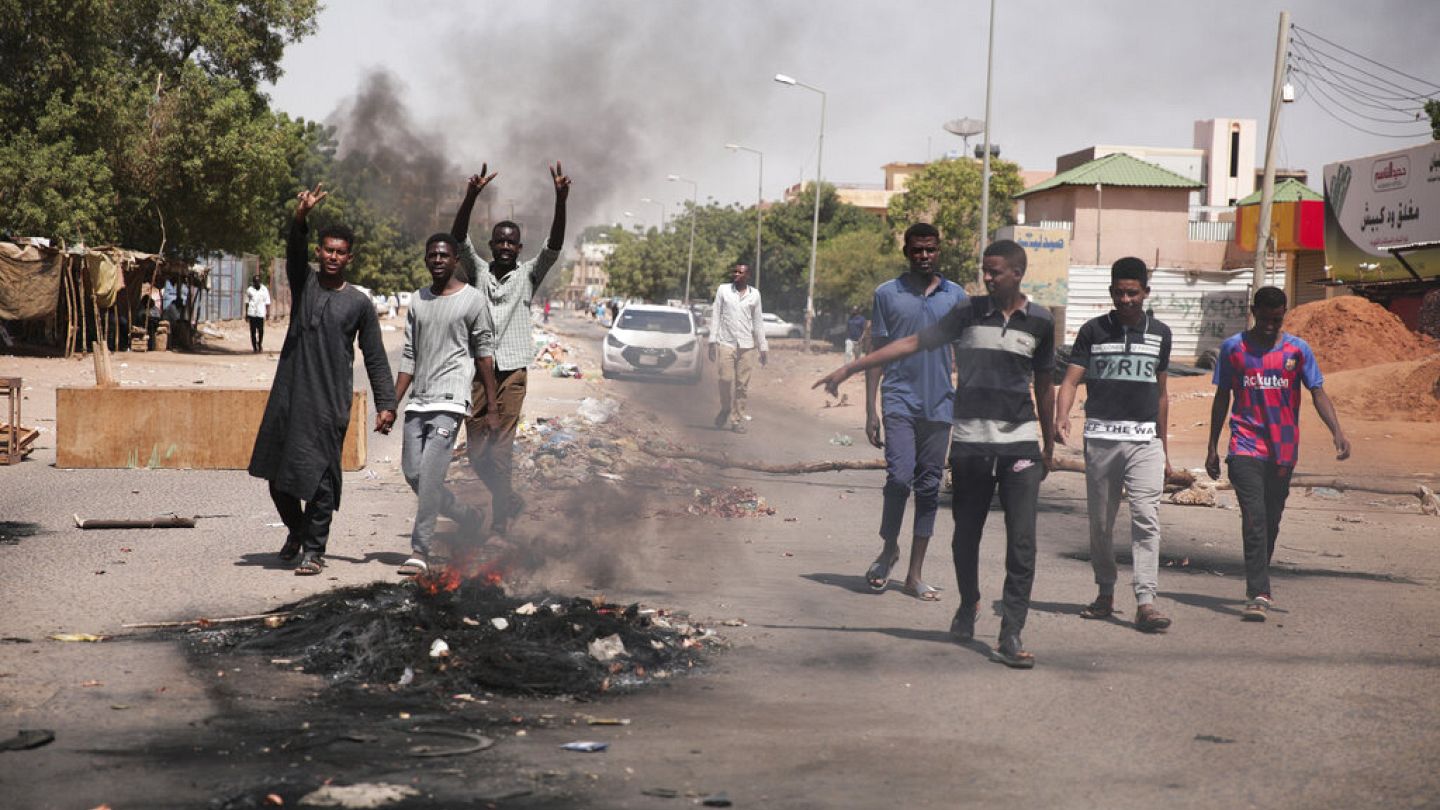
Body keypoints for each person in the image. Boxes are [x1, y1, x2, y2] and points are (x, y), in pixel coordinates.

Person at [816, 239, 1056, 669]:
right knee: (967, 536)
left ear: (1017, 273)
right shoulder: (966, 312)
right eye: (984, 269)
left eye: (995, 271)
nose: (986, 277)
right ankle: (968, 604)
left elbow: (1043, 383)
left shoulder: (1040, 321)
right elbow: (911, 344)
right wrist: (851, 367)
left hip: (1019, 446)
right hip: (969, 444)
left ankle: (1011, 630)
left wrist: (1049, 441)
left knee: (1023, 542)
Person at [249, 183, 397, 576]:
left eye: (340, 252)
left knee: (320, 482)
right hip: (289, 395)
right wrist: (301, 216)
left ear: (350, 257)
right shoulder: (306, 283)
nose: (332, 256)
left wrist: (387, 404)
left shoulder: (360, 304)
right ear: (320, 252)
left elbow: (377, 357)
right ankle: (296, 531)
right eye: (327, 250)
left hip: (329, 403)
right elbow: (293, 249)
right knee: (278, 478)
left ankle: (314, 552)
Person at [1205, 286, 1350, 622]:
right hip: (1245, 445)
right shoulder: (1233, 349)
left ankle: (1259, 578)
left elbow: (1317, 392)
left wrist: (1337, 432)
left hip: (1283, 450)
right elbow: (1221, 397)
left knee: (1270, 520)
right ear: (1253, 312)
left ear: (1284, 313)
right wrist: (1212, 446)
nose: (1271, 324)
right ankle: (1258, 592)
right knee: (1254, 519)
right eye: (1265, 318)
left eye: (1278, 318)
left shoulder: (1297, 350)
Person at [1054, 257, 1174, 633]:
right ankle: (1105, 592)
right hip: (1102, 440)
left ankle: (1146, 601)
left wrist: (1163, 445)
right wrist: (1063, 415)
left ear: (1145, 293)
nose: (1126, 300)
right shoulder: (1093, 331)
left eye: (1133, 293)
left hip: (1144, 442)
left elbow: (1163, 395)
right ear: (1111, 293)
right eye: (1119, 293)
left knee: (1146, 518)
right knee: (1101, 523)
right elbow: (1071, 381)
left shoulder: (1161, 333)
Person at [450, 162, 571, 535]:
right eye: (498, 241)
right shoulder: (479, 272)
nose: (504, 246)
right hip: (476, 371)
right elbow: (457, 240)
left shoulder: (529, 275)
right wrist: (471, 194)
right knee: (475, 454)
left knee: (501, 452)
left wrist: (560, 200)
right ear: (491, 246)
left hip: (513, 372)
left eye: (510, 242)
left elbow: (554, 245)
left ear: (519, 248)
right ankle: (510, 498)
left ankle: (500, 519)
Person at [861, 223, 967, 601]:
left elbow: (966, 355)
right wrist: (871, 410)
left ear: (940, 251)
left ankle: (914, 575)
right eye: (917, 249)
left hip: (940, 404)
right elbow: (877, 352)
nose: (924, 255)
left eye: (931, 249)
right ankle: (888, 549)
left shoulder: (956, 296)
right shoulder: (887, 294)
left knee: (928, 488)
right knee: (899, 479)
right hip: (899, 400)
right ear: (906, 252)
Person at [393, 233, 497, 576]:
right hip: (418, 400)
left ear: (455, 261)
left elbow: (484, 356)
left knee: (433, 474)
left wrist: (491, 407)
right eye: (432, 255)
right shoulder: (418, 301)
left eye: (444, 255)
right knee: (414, 474)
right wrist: (391, 404)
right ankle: (467, 516)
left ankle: (419, 550)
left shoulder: (473, 301)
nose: (437, 260)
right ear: (426, 259)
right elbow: (409, 354)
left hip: (451, 400)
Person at [708, 263, 767, 434]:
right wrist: (712, 341)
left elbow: (758, 322)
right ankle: (726, 408)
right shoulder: (723, 290)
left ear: (747, 276)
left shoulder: (755, 294)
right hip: (726, 343)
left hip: (747, 346)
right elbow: (716, 315)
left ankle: (736, 420)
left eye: (740, 272)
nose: (736, 274)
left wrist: (763, 347)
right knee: (725, 380)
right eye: (734, 271)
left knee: (742, 385)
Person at [245, 274, 271, 353]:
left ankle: (259, 344)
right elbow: (247, 302)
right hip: (252, 312)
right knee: (252, 331)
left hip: (260, 312)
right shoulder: (249, 290)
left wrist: (268, 313)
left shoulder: (264, 290)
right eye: (255, 282)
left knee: (261, 330)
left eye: (258, 281)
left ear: (260, 282)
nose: (257, 283)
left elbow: (267, 302)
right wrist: (246, 314)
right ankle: (254, 348)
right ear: (253, 282)